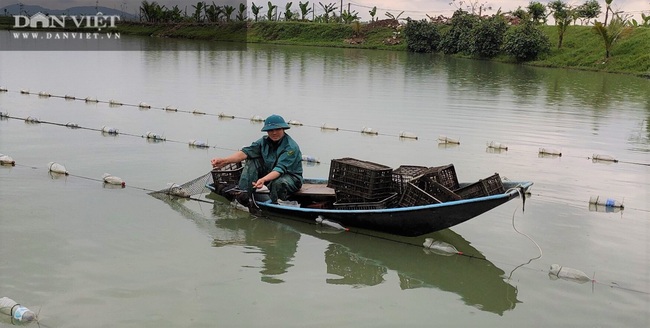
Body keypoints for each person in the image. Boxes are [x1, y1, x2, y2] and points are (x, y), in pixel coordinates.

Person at [211, 114, 303, 206]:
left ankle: (276, 203)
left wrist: (263, 179)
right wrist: (224, 161)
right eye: (271, 130)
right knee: (252, 160)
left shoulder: (291, 147)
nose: (274, 133)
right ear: (267, 131)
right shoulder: (264, 141)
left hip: (291, 178)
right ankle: (244, 193)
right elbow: (245, 152)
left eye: (277, 129)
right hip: (270, 173)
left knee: (278, 183)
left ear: (283, 129)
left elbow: (280, 169)